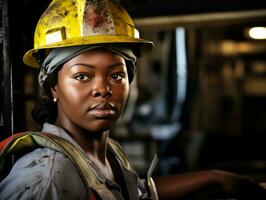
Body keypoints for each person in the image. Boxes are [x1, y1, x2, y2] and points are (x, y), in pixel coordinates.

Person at [0, 0, 265, 199]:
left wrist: (217, 180)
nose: (102, 89)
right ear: (53, 87)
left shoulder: (109, 154)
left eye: (116, 75)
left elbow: (134, 194)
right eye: (82, 77)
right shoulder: (46, 178)